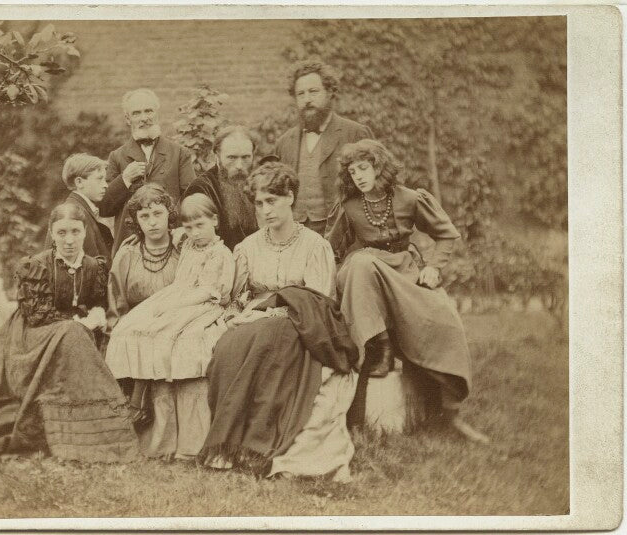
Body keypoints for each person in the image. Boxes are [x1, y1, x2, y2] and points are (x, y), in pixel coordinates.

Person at [198, 162, 359, 482]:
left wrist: (280, 310)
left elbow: (318, 301)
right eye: (259, 204)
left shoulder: (315, 246)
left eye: (272, 201)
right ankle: (230, 446)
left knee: (276, 336)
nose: (265, 210)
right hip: (256, 320)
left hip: (301, 323)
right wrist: (240, 313)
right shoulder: (247, 248)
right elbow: (239, 296)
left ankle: (261, 443)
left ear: (290, 198)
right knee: (229, 346)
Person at [325, 139, 490, 443]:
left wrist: (434, 267)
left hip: (404, 272)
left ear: (379, 168)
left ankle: (449, 413)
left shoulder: (410, 199)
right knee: (360, 264)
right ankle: (380, 347)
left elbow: (446, 235)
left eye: (364, 168)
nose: (358, 176)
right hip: (365, 275)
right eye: (352, 171)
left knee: (445, 318)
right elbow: (330, 249)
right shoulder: (349, 207)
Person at [0, 202, 139, 462]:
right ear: (52, 233)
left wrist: (96, 314)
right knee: (72, 333)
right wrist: (79, 322)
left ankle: (98, 437)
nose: (69, 240)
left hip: (71, 334)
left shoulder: (95, 267)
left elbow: (97, 303)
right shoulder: (36, 266)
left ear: (85, 232)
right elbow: (36, 315)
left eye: (75, 232)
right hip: (30, 336)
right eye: (62, 232)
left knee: (75, 334)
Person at [106, 193, 235, 461]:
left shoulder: (221, 253)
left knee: (173, 337)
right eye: (188, 227)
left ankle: (191, 441)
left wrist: (172, 307)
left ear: (215, 221)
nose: (195, 232)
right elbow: (169, 230)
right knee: (132, 328)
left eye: (200, 226)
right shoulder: (186, 243)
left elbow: (211, 292)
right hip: (178, 296)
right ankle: (144, 415)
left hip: (202, 305)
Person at [106, 183, 181, 427]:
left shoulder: (184, 249)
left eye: (158, 213)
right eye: (144, 216)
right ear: (136, 220)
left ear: (169, 213)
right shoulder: (128, 255)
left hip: (177, 325)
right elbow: (116, 304)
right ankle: (133, 409)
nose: (152, 222)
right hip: (135, 328)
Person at [273, 59, 374, 236]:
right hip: (296, 231)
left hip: (343, 231)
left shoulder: (355, 133)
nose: (307, 100)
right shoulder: (284, 142)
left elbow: (379, 184)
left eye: (313, 92)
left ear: (329, 92)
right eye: (301, 94)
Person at [100, 88, 197, 255]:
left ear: (157, 113)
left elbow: (191, 199)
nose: (144, 118)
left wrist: (178, 230)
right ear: (128, 119)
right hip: (131, 247)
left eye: (148, 111)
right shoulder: (116, 157)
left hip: (171, 243)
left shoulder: (180, 154)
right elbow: (105, 208)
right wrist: (125, 179)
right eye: (136, 113)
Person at [183, 125, 259, 250]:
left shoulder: (259, 183)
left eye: (245, 157)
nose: (239, 165)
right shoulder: (201, 189)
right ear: (217, 156)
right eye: (232, 158)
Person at [44, 153, 114, 263]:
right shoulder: (73, 214)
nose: (106, 185)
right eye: (99, 179)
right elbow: (87, 267)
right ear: (79, 182)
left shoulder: (82, 209)